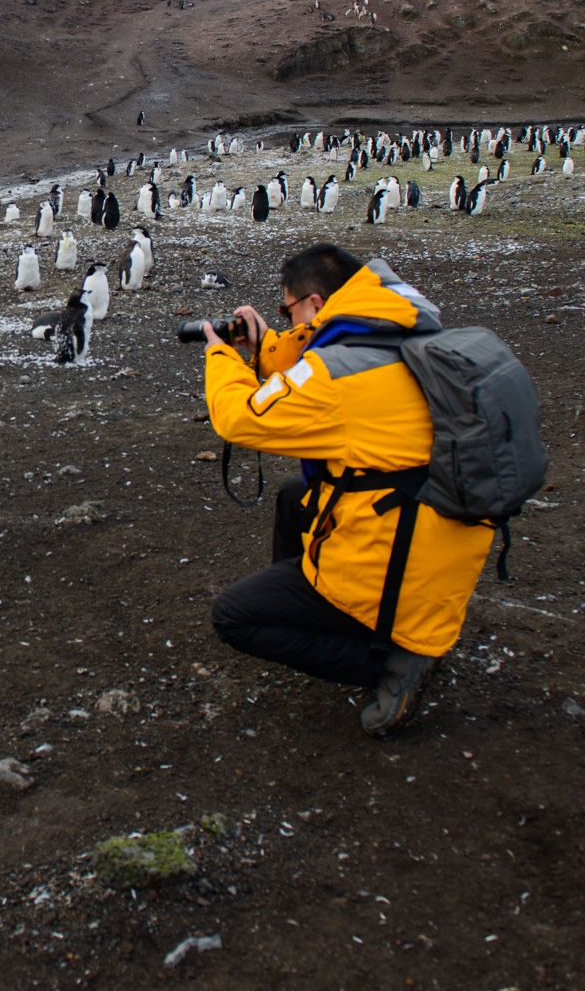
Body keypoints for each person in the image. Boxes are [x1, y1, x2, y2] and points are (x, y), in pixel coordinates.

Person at [200, 244, 495, 735]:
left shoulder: (337, 377)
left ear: (315, 304)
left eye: (288, 308)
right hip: (435, 540)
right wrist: (269, 346)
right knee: (296, 497)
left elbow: (240, 417)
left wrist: (221, 355)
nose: (290, 319)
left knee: (233, 616)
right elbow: (328, 364)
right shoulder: (401, 329)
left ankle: (386, 660)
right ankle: (318, 614)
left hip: (396, 567)